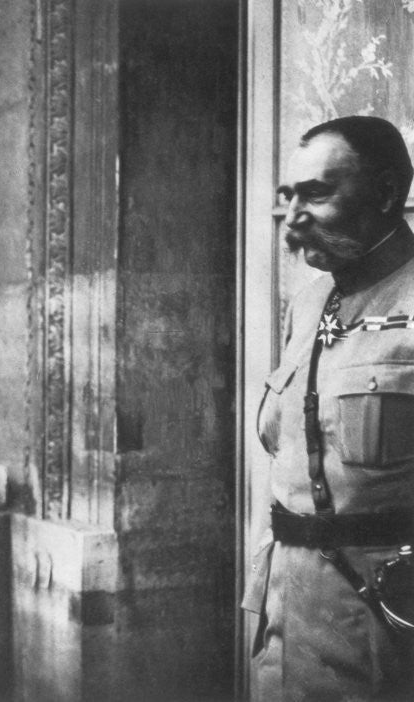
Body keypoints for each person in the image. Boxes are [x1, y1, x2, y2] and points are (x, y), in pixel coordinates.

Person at [246, 115, 414, 699]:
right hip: (286, 615)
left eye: (316, 193)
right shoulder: (312, 298)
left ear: (387, 194)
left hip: (384, 630)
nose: (292, 217)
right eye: (288, 196)